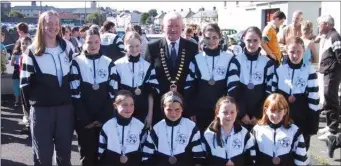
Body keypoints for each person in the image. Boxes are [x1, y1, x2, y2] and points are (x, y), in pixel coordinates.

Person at [20, 10, 75, 166]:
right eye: (49, 23)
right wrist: (28, 113)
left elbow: (74, 79)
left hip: (65, 110)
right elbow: (24, 85)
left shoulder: (68, 47)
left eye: (56, 24)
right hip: (41, 112)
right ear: (41, 25)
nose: (53, 27)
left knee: (65, 157)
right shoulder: (31, 52)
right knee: (43, 157)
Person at [70, 27, 117, 166]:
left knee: (104, 154)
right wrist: (86, 119)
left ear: (100, 42)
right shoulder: (76, 62)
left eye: (96, 42)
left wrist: (102, 117)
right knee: (87, 155)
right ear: (84, 43)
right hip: (85, 120)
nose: (93, 46)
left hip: (104, 118)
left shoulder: (109, 62)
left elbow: (112, 92)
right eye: (89, 42)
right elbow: (74, 93)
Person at [144, 12, 199, 123]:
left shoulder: (192, 47)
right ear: (163, 28)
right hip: (160, 109)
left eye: (176, 26)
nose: (173, 29)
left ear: (182, 27)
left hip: (184, 107)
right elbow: (147, 80)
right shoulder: (152, 47)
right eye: (170, 26)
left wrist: (192, 110)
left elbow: (195, 82)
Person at [186, 23, 240, 132]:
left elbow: (233, 88)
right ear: (202, 38)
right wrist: (191, 111)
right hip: (200, 111)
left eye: (215, 37)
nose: (211, 41)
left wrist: (228, 110)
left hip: (222, 111)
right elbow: (189, 87)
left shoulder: (229, 58)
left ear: (220, 38)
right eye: (207, 38)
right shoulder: (196, 59)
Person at [271, 37, 320, 149]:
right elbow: (273, 95)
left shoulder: (309, 71)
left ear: (304, 51)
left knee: (301, 148)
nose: (295, 55)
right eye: (292, 52)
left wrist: (313, 123)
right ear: (286, 51)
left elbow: (314, 98)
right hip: (283, 117)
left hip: (302, 117)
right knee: (283, 148)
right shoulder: (279, 70)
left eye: (299, 52)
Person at [142, 91, 205, 166]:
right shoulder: (157, 128)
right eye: (169, 110)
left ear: (182, 108)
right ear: (163, 109)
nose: (173, 113)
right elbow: (147, 155)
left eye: (177, 109)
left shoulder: (191, 126)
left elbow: (198, 156)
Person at [115, 31, 159, 128]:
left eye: (137, 46)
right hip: (123, 111)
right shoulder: (117, 65)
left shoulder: (147, 66)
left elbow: (151, 94)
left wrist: (150, 115)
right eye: (130, 46)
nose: (134, 49)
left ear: (141, 45)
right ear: (125, 46)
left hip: (142, 112)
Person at [251, 93, 308, 165]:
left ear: (285, 111)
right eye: (272, 110)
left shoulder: (294, 131)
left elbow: (301, 160)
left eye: (279, 111)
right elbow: (251, 158)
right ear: (266, 110)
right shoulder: (257, 130)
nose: (275, 115)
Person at [235, 26, 275, 130]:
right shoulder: (236, 61)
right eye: (248, 40)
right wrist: (242, 113)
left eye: (255, 40)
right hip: (239, 115)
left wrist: (258, 115)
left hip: (259, 116)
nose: (252, 44)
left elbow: (269, 91)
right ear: (244, 39)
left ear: (261, 41)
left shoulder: (268, 63)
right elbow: (232, 90)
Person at [98, 90, 147, 166]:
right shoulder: (108, 125)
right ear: (115, 106)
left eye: (132, 105)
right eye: (125, 105)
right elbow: (101, 147)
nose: (129, 108)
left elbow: (144, 146)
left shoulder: (139, 125)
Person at [202, 96, 255, 165]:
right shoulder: (208, 135)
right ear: (217, 113)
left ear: (237, 112)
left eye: (232, 112)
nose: (229, 116)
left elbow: (251, 161)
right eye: (225, 112)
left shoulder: (245, 134)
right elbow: (202, 161)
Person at [316, 15, 341, 141]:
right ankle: (328, 125)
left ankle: (333, 128)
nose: (318, 26)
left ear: (326, 24)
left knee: (331, 99)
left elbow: (340, 55)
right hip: (327, 73)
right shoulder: (327, 36)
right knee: (327, 98)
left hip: (332, 73)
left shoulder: (334, 36)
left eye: (319, 24)